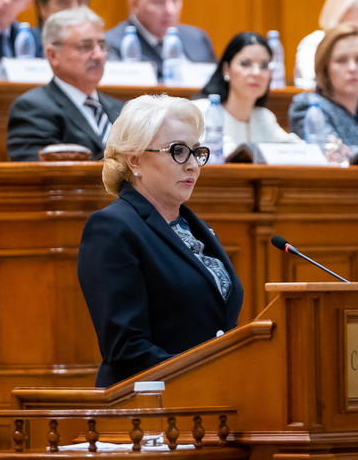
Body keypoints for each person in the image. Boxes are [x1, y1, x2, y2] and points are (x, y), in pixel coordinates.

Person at [78, 94, 244, 387]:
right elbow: (126, 348)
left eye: (197, 152)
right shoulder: (113, 228)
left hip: (211, 402)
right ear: (135, 159)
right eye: (178, 151)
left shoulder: (195, 228)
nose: (193, 165)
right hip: (146, 412)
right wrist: (208, 374)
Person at [7, 7, 123, 161]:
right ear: (53, 55)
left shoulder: (122, 110)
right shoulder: (33, 109)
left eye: (101, 46)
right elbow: (40, 175)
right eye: (85, 46)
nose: (99, 55)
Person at [193, 32, 301, 155]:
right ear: (226, 69)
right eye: (245, 64)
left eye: (264, 66)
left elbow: (296, 150)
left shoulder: (264, 117)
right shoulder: (200, 111)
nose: (256, 72)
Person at [290, 23, 358, 147]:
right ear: (325, 67)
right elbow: (331, 155)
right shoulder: (308, 106)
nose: (352, 68)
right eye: (341, 60)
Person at [104, 0, 215, 79]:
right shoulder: (112, 45)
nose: (170, 10)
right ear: (134, 4)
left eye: (175, 0)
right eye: (158, 2)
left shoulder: (197, 38)